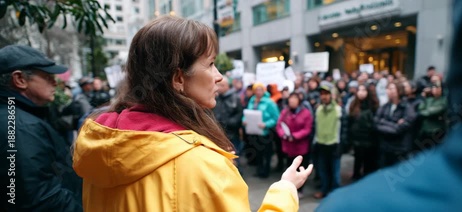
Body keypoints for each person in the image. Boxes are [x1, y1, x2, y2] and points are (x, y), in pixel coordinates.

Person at [72, 16, 313, 211]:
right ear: (178, 77)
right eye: (210, 64)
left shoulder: (99, 146)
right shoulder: (202, 163)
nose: (220, 76)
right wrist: (286, 191)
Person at [317, 0, 462, 210]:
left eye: (393, 89)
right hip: (382, 147)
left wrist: (391, 125)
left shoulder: (347, 205)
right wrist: (388, 125)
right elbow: (380, 122)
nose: (390, 91)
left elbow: (403, 123)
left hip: (400, 148)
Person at [0, 45, 82, 211]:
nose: (55, 82)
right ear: (20, 80)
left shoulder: (15, 117)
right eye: (47, 76)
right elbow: (41, 199)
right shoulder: (20, 127)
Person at [276, 92, 314, 198]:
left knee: (300, 168)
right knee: (289, 167)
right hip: (288, 145)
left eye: (294, 98)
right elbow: (279, 125)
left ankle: (300, 189)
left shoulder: (305, 113)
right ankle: (290, 188)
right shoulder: (285, 112)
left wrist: (295, 135)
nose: (292, 100)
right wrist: (283, 135)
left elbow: (307, 129)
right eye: (290, 98)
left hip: (300, 146)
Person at [242, 82, 281, 178]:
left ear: (264, 91)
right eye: (256, 90)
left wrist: (266, 124)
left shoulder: (270, 102)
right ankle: (259, 170)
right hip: (254, 131)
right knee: (257, 152)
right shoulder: (252, 100)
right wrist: (244, 120)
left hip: (265, 132)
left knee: (266, 153)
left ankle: (265, 171)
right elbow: (247, 113)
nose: (258, 92)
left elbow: (276, 118)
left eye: (260, 90)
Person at [374, 82, 416, 168]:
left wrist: (384, 122)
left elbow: (400, 128)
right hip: (385, 147)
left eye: (391, 88)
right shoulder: (385, 106)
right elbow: (376, 122)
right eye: (387, 89)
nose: (388, 91)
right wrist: (393, 124)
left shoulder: (407, 107)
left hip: (400, 148)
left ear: (399, 90)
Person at [313, 81, 343, 199]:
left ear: (332, 95)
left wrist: (342, 145)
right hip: (321, 144)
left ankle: (335, 194)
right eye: (322, 93)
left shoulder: (338, 110)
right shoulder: (318, 109)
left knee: (335, 173)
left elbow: (343, 129)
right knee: (323, 171)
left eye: (326, 93)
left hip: (334, 145)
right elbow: (315, 128)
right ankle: (324, 190)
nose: (324, 96)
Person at [348, 84, 379, 180]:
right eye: (359, 90)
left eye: (363, 90)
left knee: (368, 164)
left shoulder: (373, 105)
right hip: (357, 139)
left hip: (369, 140)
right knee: (357, 161)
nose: (361, 92)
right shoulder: (354, 104)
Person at [214, 76, 243, 170]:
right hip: (219, 131)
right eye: (219, 85)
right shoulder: (216, 97)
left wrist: (228, 123)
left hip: (232, 132)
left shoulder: (235, 98)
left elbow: (239, 115)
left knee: (234, 154)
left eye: (222, 85)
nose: (220, 87)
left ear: (227, 86)